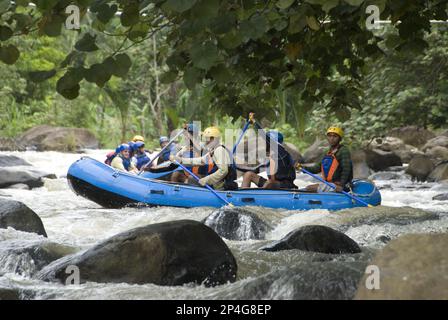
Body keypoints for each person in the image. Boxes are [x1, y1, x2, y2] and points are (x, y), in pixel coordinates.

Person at [170, 126, 237, 190]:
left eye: (207, 139)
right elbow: (201, 161)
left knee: (191, 178)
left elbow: (223, 171)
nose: (206, 141)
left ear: (214, 139)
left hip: (223, 185)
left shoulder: (219, 150)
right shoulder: (214, 150)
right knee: (192, 178)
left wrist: (206, 180)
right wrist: (180, 160)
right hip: (219, 183)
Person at [241, 116, 296, 189]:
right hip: (273, 182)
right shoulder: (272, 151)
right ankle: (242, 195)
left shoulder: (279, 151)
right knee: (248, 175)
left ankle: (261, 195)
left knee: (269, 183)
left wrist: (254, 122)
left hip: (284, 185)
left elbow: (272, 180)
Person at [297, 127, 353, 193]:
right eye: (329, 136)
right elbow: (317, 168)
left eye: (335, 136)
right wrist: (301, 167)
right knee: (306, 188)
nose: (332, 139)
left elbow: (346, 169)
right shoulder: (327, 152)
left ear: (340, 138)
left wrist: (341, 185)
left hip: (340, 185)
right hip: (330, 184)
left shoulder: (343, 151)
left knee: (310, 188)